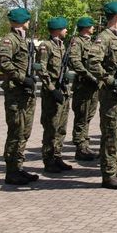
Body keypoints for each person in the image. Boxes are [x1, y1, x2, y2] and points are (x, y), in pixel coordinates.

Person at [88, 1, 117, 190]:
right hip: (111, 94)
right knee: (110, 134)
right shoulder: (104, 37)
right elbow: (93, 63)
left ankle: (116, 171)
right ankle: (108, 175)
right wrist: (108, 80)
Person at [0, 8, 39, 185]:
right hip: (16, 92)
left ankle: (18, 168)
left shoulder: (23, 40)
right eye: (28, 19)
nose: (29, 22)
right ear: (23, 20)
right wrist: (23, 78)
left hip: (26, 92)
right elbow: (3, 63)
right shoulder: (9, 40)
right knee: (15, 132)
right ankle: (11, 171)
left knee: (24, 132)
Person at [36, 17, 73, 173]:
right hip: (52, 94)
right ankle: (49, 160)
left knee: (61, 128)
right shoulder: (46, 46)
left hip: (63, 91)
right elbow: (41, 69)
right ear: (58, 29)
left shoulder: (62, 46)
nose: (67, 31)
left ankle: (57, 157)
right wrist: (52, 89)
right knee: (51, 128)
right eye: (65, 28)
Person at [69, 16, 100, 161]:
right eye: (91, 25)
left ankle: (85, 145)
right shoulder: (77, 42)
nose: (93, 27)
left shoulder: (90, 42)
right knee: (82, 116)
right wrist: (90, 76)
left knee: (88, 116)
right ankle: (80, 147)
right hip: (84, 85)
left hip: (92, 86)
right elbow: (75, 62)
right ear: (85, 27)